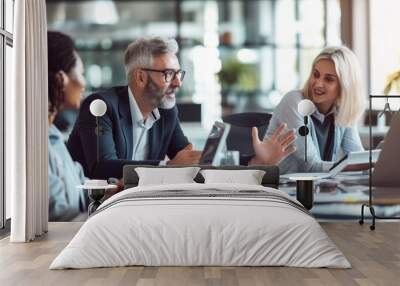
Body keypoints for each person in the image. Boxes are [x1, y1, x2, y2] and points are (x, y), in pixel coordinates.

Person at [67, 37, 296, 179]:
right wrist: (166, 166)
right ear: (140, 77)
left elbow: (191, 158)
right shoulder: (100, 107)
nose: (177, 83)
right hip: (88, 210)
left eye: (179, 74)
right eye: (168, 74)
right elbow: (102, 166)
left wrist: (253, 161)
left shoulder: (166, 112)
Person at [265, 46, 365, 174]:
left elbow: (357, 158)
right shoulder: (294, 102)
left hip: (319, 190)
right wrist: (358, 165)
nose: (318, 84)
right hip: (284, 189)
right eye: (316, 75)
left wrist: (375, 162)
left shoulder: (341, 111)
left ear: (345, 85)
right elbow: (311, 166)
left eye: (328, 79)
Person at [47, 31, 88, 221]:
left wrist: (110, 190)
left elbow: (78, 182)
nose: (84, 83)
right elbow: (60, 217)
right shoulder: (36, 145)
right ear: (61, 79)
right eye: (81, 73)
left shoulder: (53, 135)